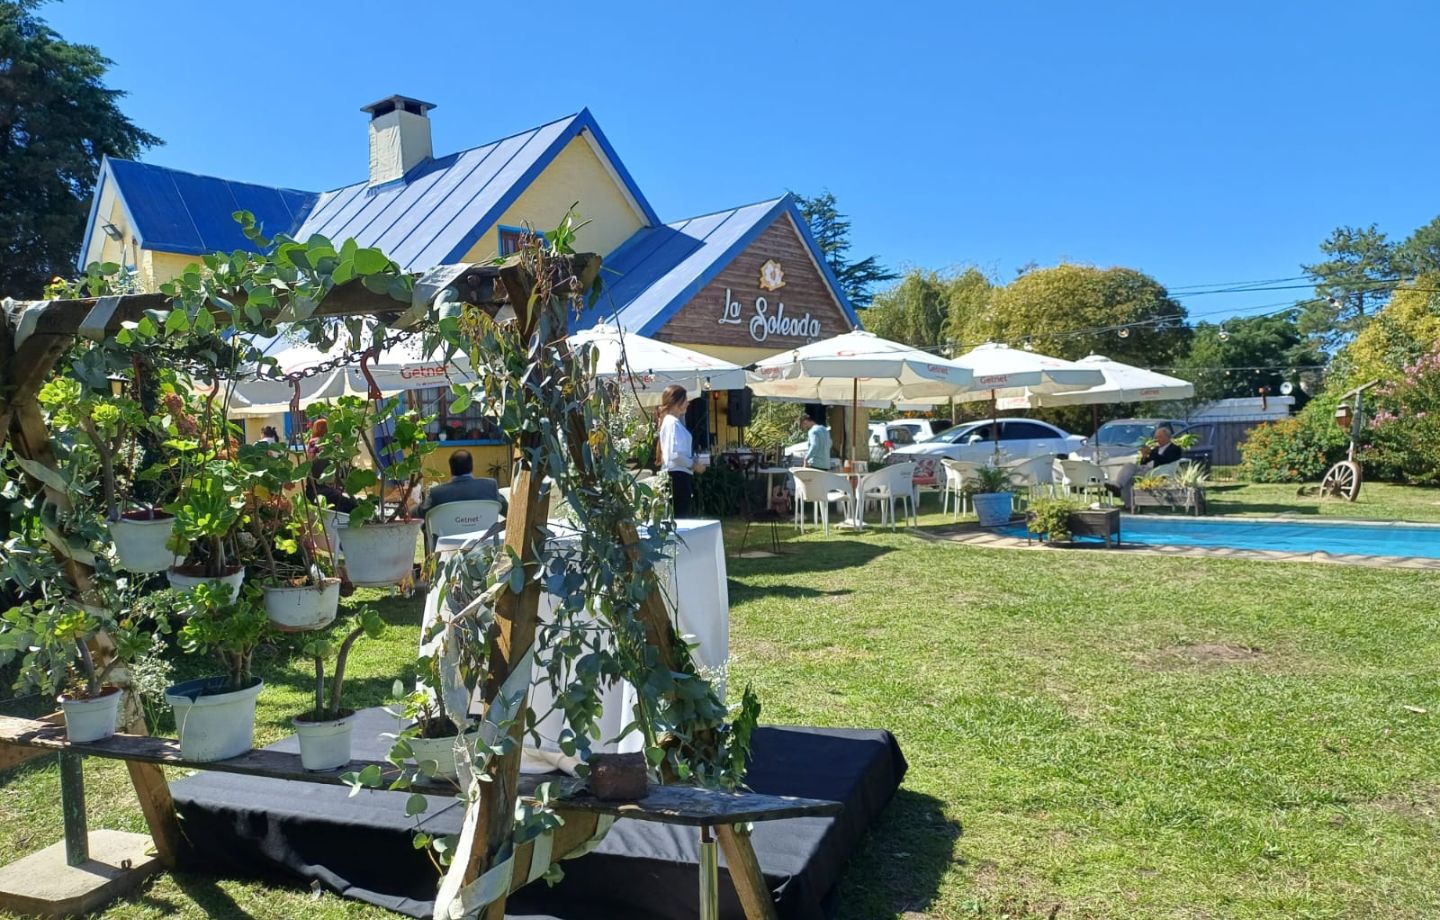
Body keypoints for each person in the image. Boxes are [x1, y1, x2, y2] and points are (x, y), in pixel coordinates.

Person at [656, 384, 705, 517]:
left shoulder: (672, 422)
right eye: (685, 400)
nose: (688, 403)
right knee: (681, 518)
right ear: (676, 402)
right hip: (677, 477)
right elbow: (675, 454)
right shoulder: (672, 423)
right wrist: (693, 464)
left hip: (678, 476)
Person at [415, 449, 507, 517]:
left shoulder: (437, 493)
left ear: (451, 469)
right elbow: (508, 511)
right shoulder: (489, 487)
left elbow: (416, 513)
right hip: (484, 541)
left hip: (447, 541)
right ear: (472, 467)